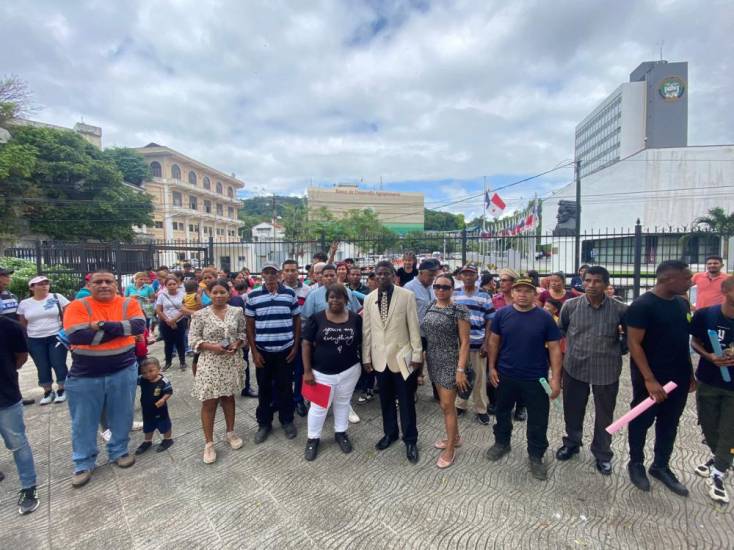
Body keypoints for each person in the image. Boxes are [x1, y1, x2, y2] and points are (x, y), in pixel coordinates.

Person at [62, 271, 146, 488]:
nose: (104, 285)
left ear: (116, 285)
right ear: (89, 286)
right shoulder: (78, 306)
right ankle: (83, 462)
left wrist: (100, 325)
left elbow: (137, 327)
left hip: (123, 369)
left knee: (122, 415)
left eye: (109, 281)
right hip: (85, 374)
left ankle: (119, 451)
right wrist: (120, 330)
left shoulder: (128, 303)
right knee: (83, 421)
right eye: (98, 282)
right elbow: (77, 336)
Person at [626, 260, 694, 496]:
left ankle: (661, 466)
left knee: (670, 422)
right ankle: (636, 463)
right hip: (651, 377)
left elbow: (682, 341)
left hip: (679, 377)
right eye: (686, 278)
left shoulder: (682, 303)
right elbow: (634, 344)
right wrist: (649, 379)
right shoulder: (642, 306)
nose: (690, 281)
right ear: (667, 279)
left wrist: (690, 374)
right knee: (641, 421)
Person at [486, 277, 562, 480]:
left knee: (538, 419)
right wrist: (492, 367)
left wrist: (555, 378)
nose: (522, 294)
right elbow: (493, 342)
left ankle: (536, 455)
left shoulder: (544, 317)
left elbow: (555, 348)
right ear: (512, 293)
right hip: (506, 375)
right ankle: (502, 442)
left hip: (536, 379)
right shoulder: (502, 314)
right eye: (518, 290)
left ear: (534, 294)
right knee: (502, 412)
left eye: (527, 291)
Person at [555, 266, 628, 476]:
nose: (591, 285)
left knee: (605, 414)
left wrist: (620, 348)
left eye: (597, 281)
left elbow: (630, 337)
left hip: (606, 370)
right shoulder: (570, 306)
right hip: (575, 366)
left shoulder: (620, 309)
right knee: (572, 408)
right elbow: (561, 331)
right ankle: (572, 442)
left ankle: (602, 452)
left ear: (606, 284)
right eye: (588, 281)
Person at [362, 261, 423, 464]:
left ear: (393, 276)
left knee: (406, 401)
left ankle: (410, 439)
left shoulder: (406, 296)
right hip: (380, 359)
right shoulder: (369, 299)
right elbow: (367, 331)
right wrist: (366, 357)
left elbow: (413, 327)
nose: (381, 277)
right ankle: (390, 433)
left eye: (386, 273)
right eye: (378, 274)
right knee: (385, 399)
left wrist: (417, 355)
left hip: (402, 358)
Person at [302, 284, 363, 461]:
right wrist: (307, 371)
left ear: (346, 299)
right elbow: (306, 344)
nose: (334, 300)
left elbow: (361, 342)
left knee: (343, 403)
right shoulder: (317, 318)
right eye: (331, 297)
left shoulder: (355, 319)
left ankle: (341, 433)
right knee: (319, 407)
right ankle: (313, 439)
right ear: (327, 299)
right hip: (321, 372)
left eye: (339, 297)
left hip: (349, 370)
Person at [189, 278, 246, 463]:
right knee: (209, 403)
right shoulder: (199, 315)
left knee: (228, 398)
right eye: (215, 292)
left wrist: (237, 343)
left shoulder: (237, 311)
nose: (219, 296)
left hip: (230, 362)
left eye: (223, 292)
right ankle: (209, 443)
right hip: (210, 363)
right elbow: (193, 340)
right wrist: (213, 347)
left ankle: (230, 433)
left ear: (229, 293)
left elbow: (243, 333)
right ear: (209, 294)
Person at [689, 276, 734, 503]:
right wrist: (709, 356)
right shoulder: (706, 315)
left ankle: (719, 472)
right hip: (709, 380)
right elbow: (694, 341)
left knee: (729, 429)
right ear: (726, 290)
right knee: (708, 425)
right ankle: (721, 457)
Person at [246, 262, 301, 444]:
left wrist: (294, 347)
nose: (270, 275)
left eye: (273, 272)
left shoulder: (289, 294)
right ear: (262, 274)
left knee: (286, 388)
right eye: (267, 272)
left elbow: (297, 320)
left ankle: (287, 421)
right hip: (263, 352)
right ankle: (264, 424)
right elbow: (250, 326)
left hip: (285, 351)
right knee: (264, 389)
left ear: (279, 275)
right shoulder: (253, 296)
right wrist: (254, 352)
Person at [422, 274, 470, 468]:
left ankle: (450, 449)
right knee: (443, 404)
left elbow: (465, 342)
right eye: (437, 286)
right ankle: (455, 437)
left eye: (445, 287)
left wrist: (460, 369)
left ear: (452, 289)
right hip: (433, 360)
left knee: (448, 406)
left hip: (451, 362)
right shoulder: (430, 305)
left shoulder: (459, 310)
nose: (441, 290)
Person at [0, 315, 40, 514]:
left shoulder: (10, 327)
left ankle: (28, 487)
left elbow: (21, 357)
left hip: (5, 396)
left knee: (17, 443)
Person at [17, 276, 70, 405]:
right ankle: (47, 390)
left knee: (58, 362)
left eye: (46, 283)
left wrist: (66, 329)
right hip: (35, 339)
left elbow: (68, 312)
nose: (44, 286)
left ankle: (62, 388)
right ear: (32, 287)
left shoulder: (57, 297)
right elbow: (22, 323)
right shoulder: (25, 303)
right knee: (42, 365)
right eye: (39, 284)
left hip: (55, 336)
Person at [454, 265, 495, 424]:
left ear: (476, 276)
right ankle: (460, 405)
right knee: (460, 376)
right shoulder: (455, 295)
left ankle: (481, 409)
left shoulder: (484, 296)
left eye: (471, 274)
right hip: (459, 344)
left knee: (479, 378)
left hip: (478, 343)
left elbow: (490, 319)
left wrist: (486, 342)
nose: (468, 277)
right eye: (465, 274)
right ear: (460, 277)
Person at [403, 258, 441, 400]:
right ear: (421, 272)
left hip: (432, 333)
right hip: (416, 334)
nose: (433, 278)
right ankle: (412, 392)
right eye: (430, 275)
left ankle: (437, 392)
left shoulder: (433, 287)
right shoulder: (409, 288)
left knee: (435, 362)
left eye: (434, 275)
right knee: (415, 363)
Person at [490, 268, 526, 421]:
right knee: (499, 375)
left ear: (513, 283)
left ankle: (521, 407)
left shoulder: (522, 300)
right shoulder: (495, 299)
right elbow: (489, 323)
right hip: (499, 344)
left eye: (505, 280)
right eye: (500, 280)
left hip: (519, 345)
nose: (501, 283)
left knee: (521, 376)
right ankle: (499, 402)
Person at [282, 259, 310, 416]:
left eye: (293, 270)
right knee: (284, 370)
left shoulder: (307, 290)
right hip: (283, 337)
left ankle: (298, 399)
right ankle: (284, 399)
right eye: (287, 270)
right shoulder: (277, 290)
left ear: (298, 272)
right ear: (283, 272)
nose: (291, 273)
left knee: (300, 369)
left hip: (301, 337)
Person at [134, 357, 174, 454]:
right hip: (147, 409)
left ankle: (168, 439)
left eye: (151, 371)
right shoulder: (142, 379)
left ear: (159, 369)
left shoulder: (163, 381)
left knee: (164, 425)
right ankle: (147, 441)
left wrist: (163, 399)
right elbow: (132, 381)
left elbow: (169, 391)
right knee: (148, 426)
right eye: (144, 372)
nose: (148, 374)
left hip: (160, 409)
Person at [155, 276, 194, 371]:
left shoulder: (183, 295)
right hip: (165, 322)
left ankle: (182, 362)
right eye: (169, 284)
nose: (172, 286)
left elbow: (184, 308)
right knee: (168, 343)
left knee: (180, 342)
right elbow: (159, 310)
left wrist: (174, 319)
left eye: (174, 284)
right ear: (166, 286)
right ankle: (168, 363)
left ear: (177, 284)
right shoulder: (162, 295)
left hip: (180, 321)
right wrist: (167, 320)